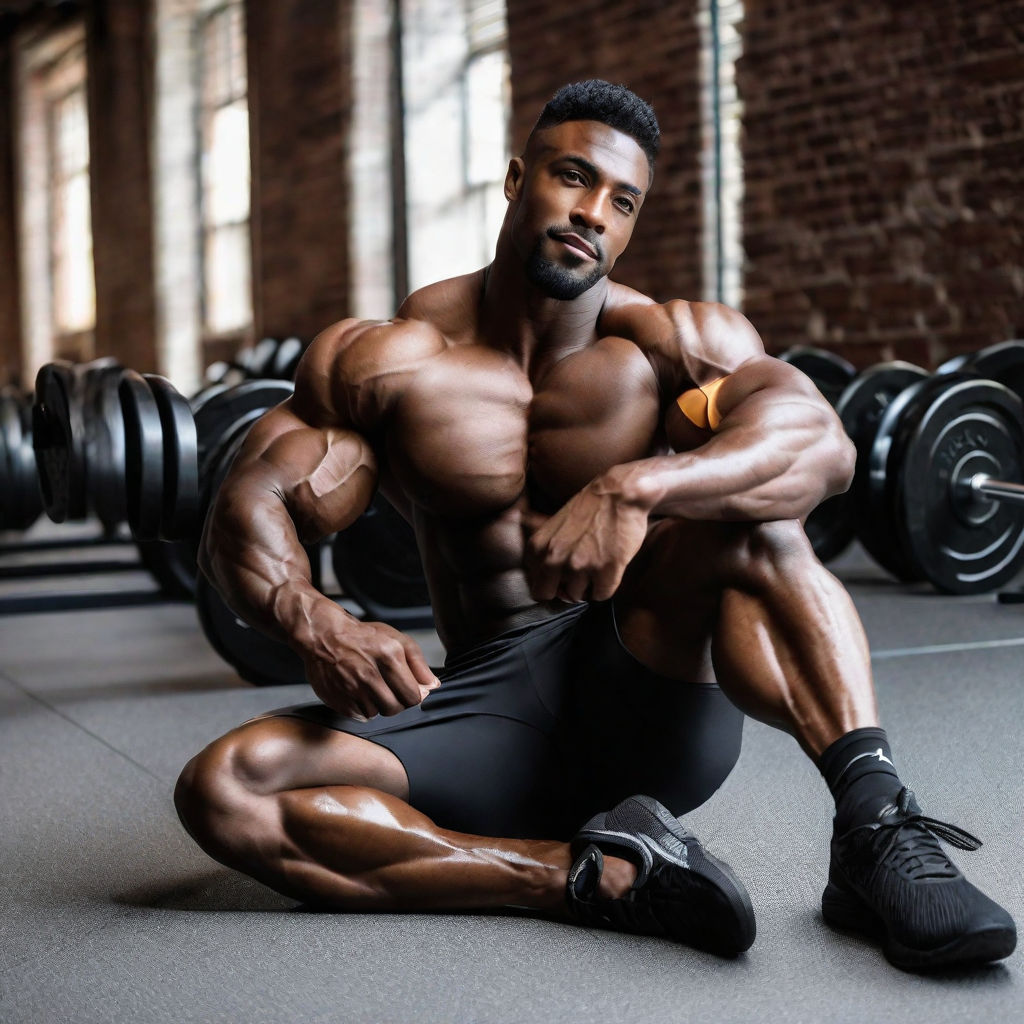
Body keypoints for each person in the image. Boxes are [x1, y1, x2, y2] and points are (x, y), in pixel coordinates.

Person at [174, 80, 1015, 970]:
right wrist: (319, 622)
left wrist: (641, 487)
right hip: (483, 716)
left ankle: (875, 830)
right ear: (514, 179)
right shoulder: (391, 360)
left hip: (642, 688)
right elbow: (250, 501)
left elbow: (819, 444)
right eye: (573, 177)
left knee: (752, 517)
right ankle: (595, 876)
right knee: (226, 791)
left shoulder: (669, 341)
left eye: (622, 201)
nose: (593, 214)